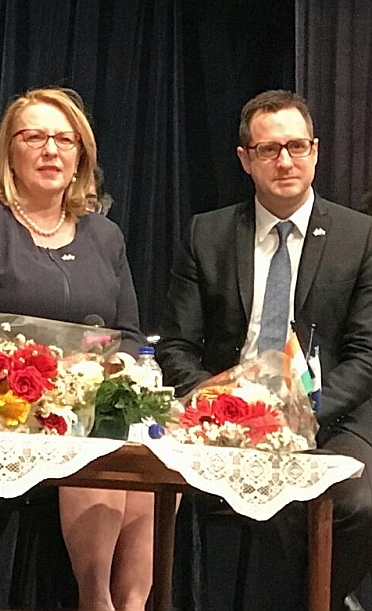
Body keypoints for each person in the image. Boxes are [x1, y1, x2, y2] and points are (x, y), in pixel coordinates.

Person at [0, 87, 150, 611]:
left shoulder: (106, 236)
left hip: (87, 405)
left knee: (141, 457)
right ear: (10, 152)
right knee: (97, 448)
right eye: (34, 137)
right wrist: (49, 371)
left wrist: (105, 368)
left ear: (80, 156)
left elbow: (129, 335)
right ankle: (95, 599)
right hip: (0, 411)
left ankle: (131, 603)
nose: (51, 150)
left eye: (64, 140)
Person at [157, 89, 372, 611]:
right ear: (245, 159)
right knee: (265, 501)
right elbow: (178, 347)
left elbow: (366, 353)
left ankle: (316, 599)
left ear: (315, 151)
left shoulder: (360, 235)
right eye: (269, 149)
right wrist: (221, 408)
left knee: (359, 504)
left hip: (331, 417)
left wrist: (297, 411)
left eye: (296, 147)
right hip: (228, 420)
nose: (285, 161)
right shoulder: (207, 233)